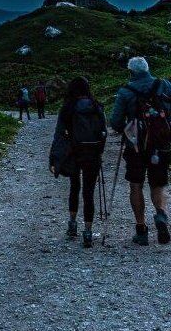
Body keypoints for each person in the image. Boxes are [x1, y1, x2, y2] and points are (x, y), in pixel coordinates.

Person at [110, 56, 171, 246]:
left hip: (135, 146)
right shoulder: (164, 85)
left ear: (131, 72)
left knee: (136, 185)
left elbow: (115, 122)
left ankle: (141, 229)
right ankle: (161, 215)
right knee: (158, 184)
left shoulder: (125, 92)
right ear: (147, 69)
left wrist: (126, 127)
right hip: (160, 145)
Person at [49, 77, 106, 247]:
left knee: (75, 187)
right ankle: (88, 232)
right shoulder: (97, 106)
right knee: (89, 192)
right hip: (93, 153)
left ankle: (72, 224)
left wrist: (54, 158)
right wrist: (99, 150)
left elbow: (59, 134)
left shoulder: (68, 107)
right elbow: (103, 131)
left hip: (74, 152)